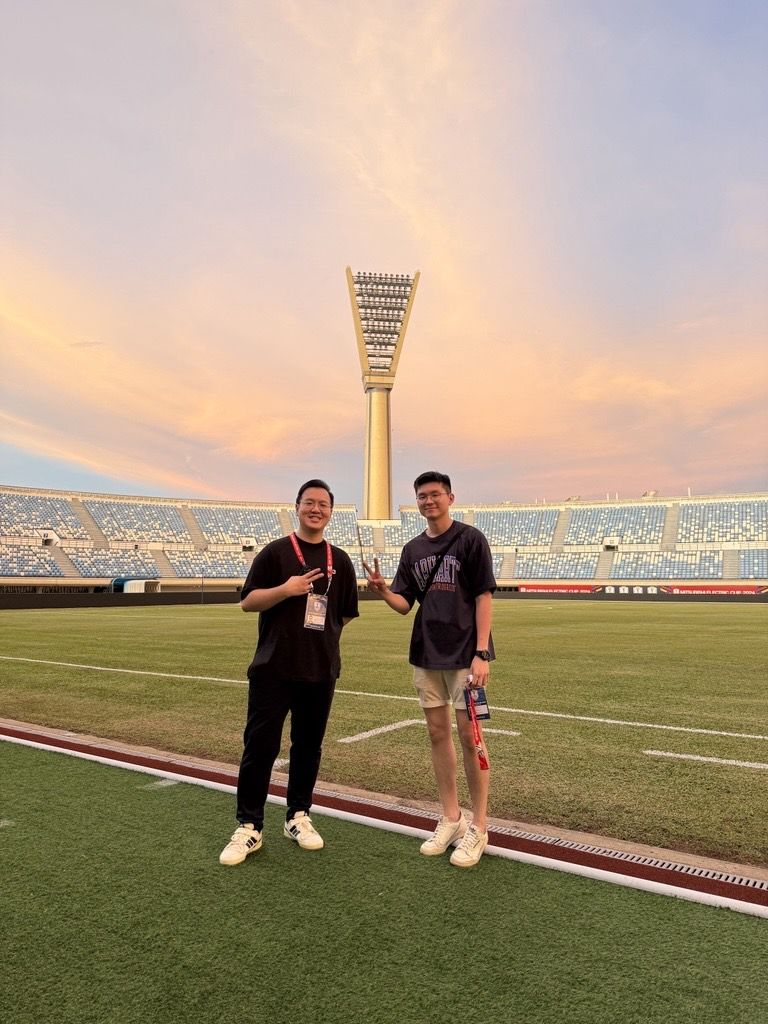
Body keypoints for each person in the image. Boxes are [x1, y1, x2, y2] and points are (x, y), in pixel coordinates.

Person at [219, 479, 359, 866]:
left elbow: (345, 613)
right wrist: (287, 589)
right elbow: (248, 602)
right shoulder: (275, 552)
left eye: (323, 504)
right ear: (297, 507)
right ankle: (249, 825)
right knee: (260, 747)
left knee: (308, 747)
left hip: (320, 670)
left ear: (331, 512)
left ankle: (297, 815)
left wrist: (320, 639)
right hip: (273, 669)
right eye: (309, 503)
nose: (316, 509)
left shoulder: (340, 559)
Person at [363, 471, 495, 868]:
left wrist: (482, 653)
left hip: (465, 655)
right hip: (427, 652)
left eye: (435, 494)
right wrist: (384, 591)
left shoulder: (470, 539)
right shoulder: (413, 549)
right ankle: (451, 818)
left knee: (470, 735)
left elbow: (484, 596)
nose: (428, 501)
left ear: (450, 497)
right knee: (437, 733)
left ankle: (479, 826)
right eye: (422, 496)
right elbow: (405, 605)